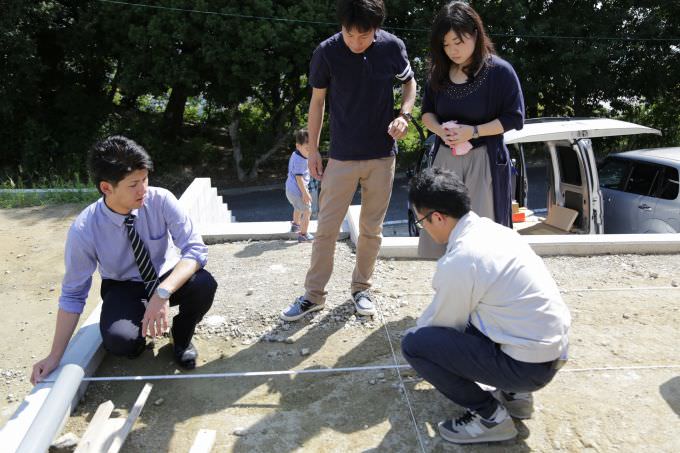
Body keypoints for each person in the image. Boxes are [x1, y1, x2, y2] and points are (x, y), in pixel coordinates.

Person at [402, 167, 570, 444]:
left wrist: (421, 347)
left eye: (422, 221)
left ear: (438, 217)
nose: (424, 229)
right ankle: (516, 398)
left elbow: (442, 325)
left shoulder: (462, 259)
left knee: (415, 345)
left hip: (529, 368)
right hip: (552, 352)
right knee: (487, 309)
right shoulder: (495, 231)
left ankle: (490, 417)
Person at [31, 136, 217, 384]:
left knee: (204, 285)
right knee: (120, 342)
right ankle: (138, 337)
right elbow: (73, 293)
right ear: (107, 187)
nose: (143, 190)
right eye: (133, 185)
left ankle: (181, 338)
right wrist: (55, 356)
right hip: (123, 285)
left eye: (145, 179)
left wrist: (162, 293)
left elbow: (195, 250)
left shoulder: (160, 200)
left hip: (166, 276)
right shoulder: (85, 228)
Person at [280, 0, 417, 321]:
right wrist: (313, 149)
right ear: (341, 27)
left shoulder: (392, 47)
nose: (356, 42)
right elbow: (317, 102)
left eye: (364, 35)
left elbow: (410, 82)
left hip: (383, 154)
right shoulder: (327, 52)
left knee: (372, 229)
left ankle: (362, 289)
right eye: (349, 34)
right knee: (326, 229)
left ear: (376, 29)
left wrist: (405, 115)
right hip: (341, 155)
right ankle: (313, 296)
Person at [418, 1, 525, 259]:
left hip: (484, 159)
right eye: (446, 44)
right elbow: (427, 113)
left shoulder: (499, 72)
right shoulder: (439, 72)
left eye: (458, 41)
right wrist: (440, 130)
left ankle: (484, 290)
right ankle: (451, 286)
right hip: (444, 159)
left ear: (475, 34)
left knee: (482, 232)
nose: (453, 50)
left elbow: (514, 118)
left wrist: (473, 131)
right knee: (442, 227)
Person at [286, 129, 315, 242]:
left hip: (291, 189)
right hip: (298, 190)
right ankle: (303, 234)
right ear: (298, 146)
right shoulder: (301, 161)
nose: (310, 152)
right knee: (307, 211)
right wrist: (305, 193)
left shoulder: (296, 154)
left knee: (298, 207)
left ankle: (295, 224)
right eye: (307, 149)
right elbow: (299, 178)